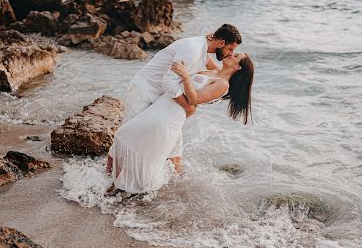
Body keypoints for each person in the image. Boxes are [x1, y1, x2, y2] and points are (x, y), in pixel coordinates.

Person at [105, 51, 254, 196]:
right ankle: (130, 185)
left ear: (238, 67)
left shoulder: (222, 85)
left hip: (170, 114)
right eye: (232, 51)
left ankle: (129, 186)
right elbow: (203, 49)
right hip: (162, 105)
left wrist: (185, 76)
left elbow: (194, 99)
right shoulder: (214, 70)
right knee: (161, 151)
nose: (230, 54)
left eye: (235, 56)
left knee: (126, 136)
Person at [105, 24, 243, 180]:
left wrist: (233, 75)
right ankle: (110, 179)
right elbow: (169, 82)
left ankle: (175, 188)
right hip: (145, 91)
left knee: (174, 149)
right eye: (230, 49)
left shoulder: (203, 51)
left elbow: (217, 74)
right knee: (126, 138)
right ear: (221, 43)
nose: (230, 53)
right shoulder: (193, 48)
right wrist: (188, 106)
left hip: (166, 102)